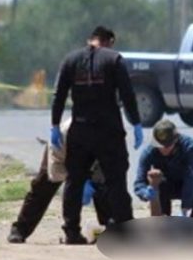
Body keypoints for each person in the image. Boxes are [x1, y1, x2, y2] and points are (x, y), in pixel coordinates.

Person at [51, 25, 143, 244]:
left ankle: (72, 231)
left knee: (74, 182)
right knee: (116, 181)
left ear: (90, 39)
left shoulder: (70, 60)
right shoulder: (114, 59)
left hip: (80, 130)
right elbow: (127, 94)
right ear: (109, 41)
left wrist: (54, 124)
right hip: (108, 130)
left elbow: (59, 95)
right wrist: (136, 122)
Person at [7, 120, 112, 243]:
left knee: (103, 188)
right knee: (42, 187)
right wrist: (74, 181)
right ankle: (20, 230)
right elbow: (55, 171)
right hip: (59, 154)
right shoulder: (62, 136)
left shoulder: (106, 135)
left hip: (94, 162)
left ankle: (111, 229)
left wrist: (90, 180)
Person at [133, 119, 193, 219]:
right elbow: (139, 182)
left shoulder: (189, 146)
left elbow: (191, 176)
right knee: (159, 186)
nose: (163, 149)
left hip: (185, 182)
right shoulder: (149, 152)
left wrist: (185, 209)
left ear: (176, 140)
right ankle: (164, 220)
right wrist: (146, 193)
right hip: (165, 185)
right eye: (160, 146)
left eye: (167, 146)